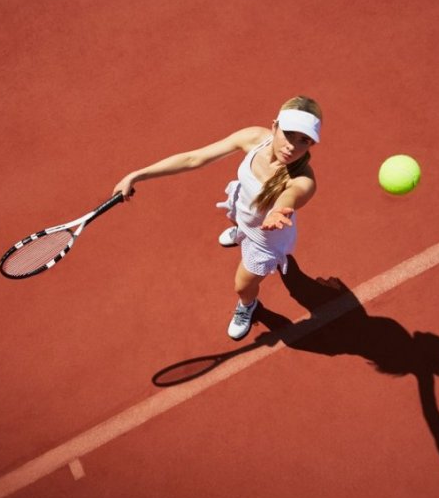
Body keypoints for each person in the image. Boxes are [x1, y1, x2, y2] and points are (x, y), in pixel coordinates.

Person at [112, 96, 322, 340]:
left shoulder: (304, 180)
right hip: (242, 206)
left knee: (242, 286)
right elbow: (195, 159)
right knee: (236, 220)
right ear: (274, 126)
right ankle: (239, 233)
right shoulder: (254, 137)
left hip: (266, 235)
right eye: (288, 134)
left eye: (304, 140)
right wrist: (136, 176)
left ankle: (248, 306)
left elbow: (292, 196)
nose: (292, 146)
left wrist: (278, 210)